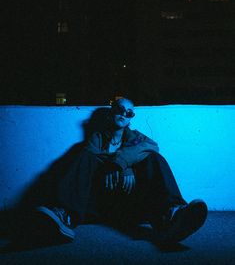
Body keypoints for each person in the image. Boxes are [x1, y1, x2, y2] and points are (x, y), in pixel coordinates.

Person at [36, 97, 207, 244]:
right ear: (111, 113)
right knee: (83, 157)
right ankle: (64, 215)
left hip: (132, 205)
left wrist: (123, 165)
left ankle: (172, 214)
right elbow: (91, 154)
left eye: (129, 112)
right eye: (120, 109)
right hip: (98, 204)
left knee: (154, 158)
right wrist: (115, 165)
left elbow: (152, 146)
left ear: (130, 119)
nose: (124, 114)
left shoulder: (137, 138)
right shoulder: (97, 138)